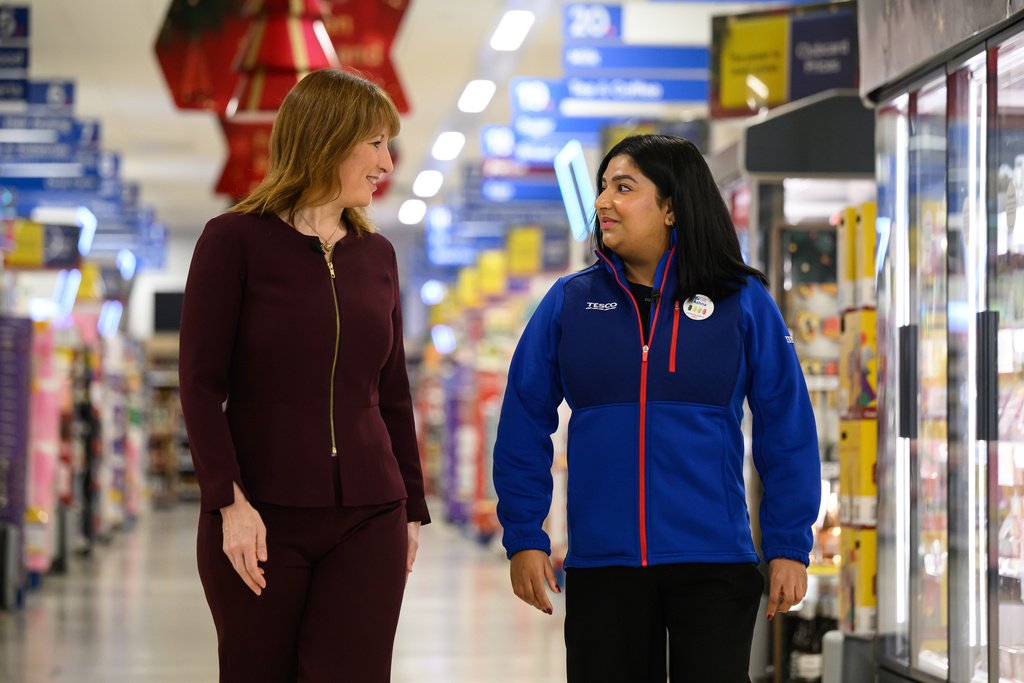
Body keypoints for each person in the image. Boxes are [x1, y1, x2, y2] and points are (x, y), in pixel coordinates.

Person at [492, 134, 822, 682]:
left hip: (713, 560)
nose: (603, 202)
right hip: (605, 565)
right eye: (603, 188)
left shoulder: (741, 301)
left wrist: (788, 542)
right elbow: (524, 418)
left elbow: (786, 423)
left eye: (624, 187)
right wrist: (524, 534)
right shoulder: (571, 303)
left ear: (671, 207)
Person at [178, 68, 429, 683]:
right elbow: (201, 386)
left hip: (371, 512)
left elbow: (392, 391)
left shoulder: (378, 256)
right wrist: (227, 501)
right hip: (261, 513)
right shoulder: (233, 240)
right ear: (327, 138)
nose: (385, 161)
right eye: (373, 143)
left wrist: (412, 510)